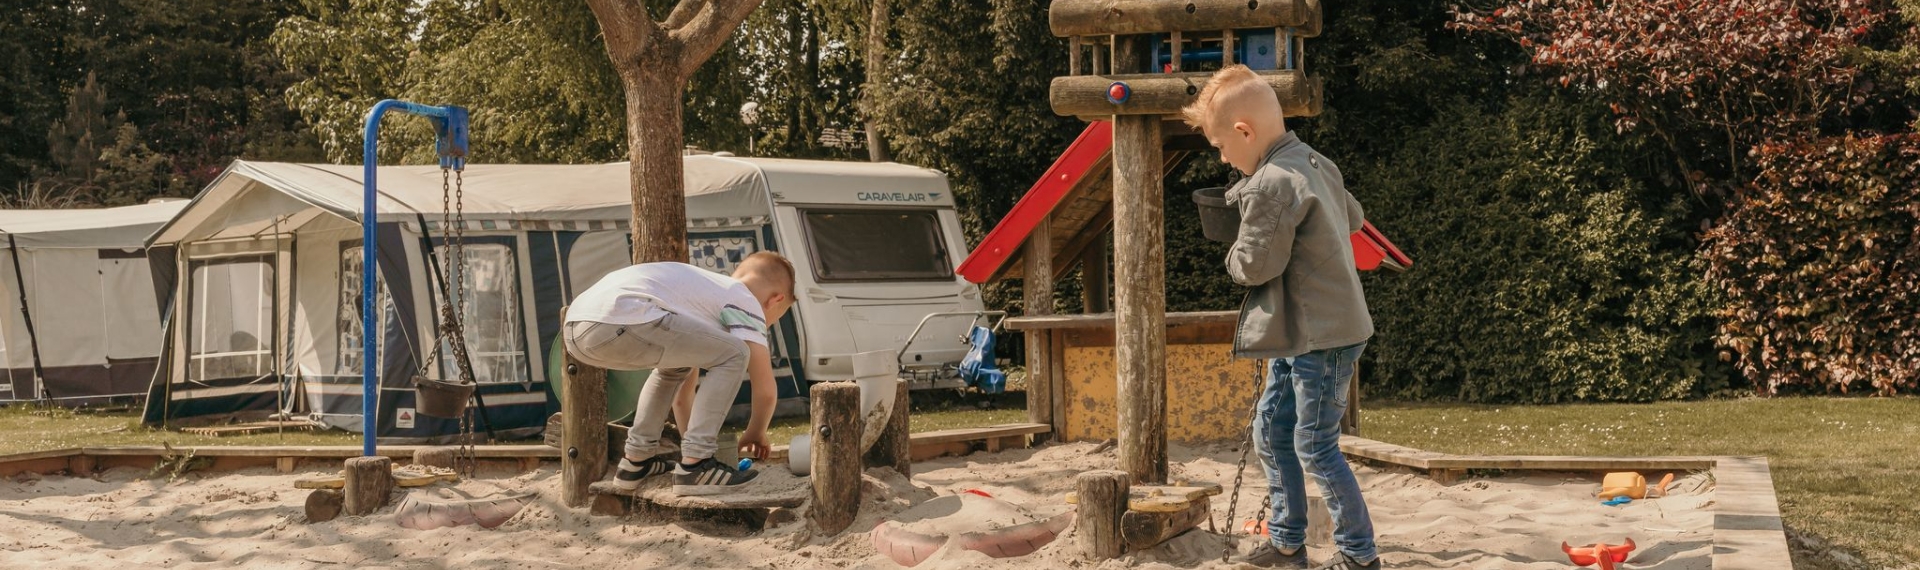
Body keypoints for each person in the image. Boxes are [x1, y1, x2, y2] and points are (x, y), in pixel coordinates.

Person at [1182, 64, 1379, 570]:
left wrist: (1236, 238)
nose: (1224, 158)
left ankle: (1359, 556)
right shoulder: (1314, 161)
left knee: (1314, 444)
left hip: (1322, 335)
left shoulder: (1270, 183)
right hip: (1307, 331)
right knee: (1271, 429)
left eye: (1222, 147)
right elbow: (1352, 217)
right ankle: (1288, 542)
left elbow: (1253, 266)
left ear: (1244, 131)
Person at [562, 252, 794, 496]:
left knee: (674, 369)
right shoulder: (744, 299)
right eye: (772, 321)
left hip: (577, 330)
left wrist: (690, 449)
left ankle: (635, 462)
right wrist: (755, 432)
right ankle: (696, 468)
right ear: (774, 301)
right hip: (623, 317)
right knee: (736, 353)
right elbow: (766, 391)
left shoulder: (702, 295)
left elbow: (682, 398)